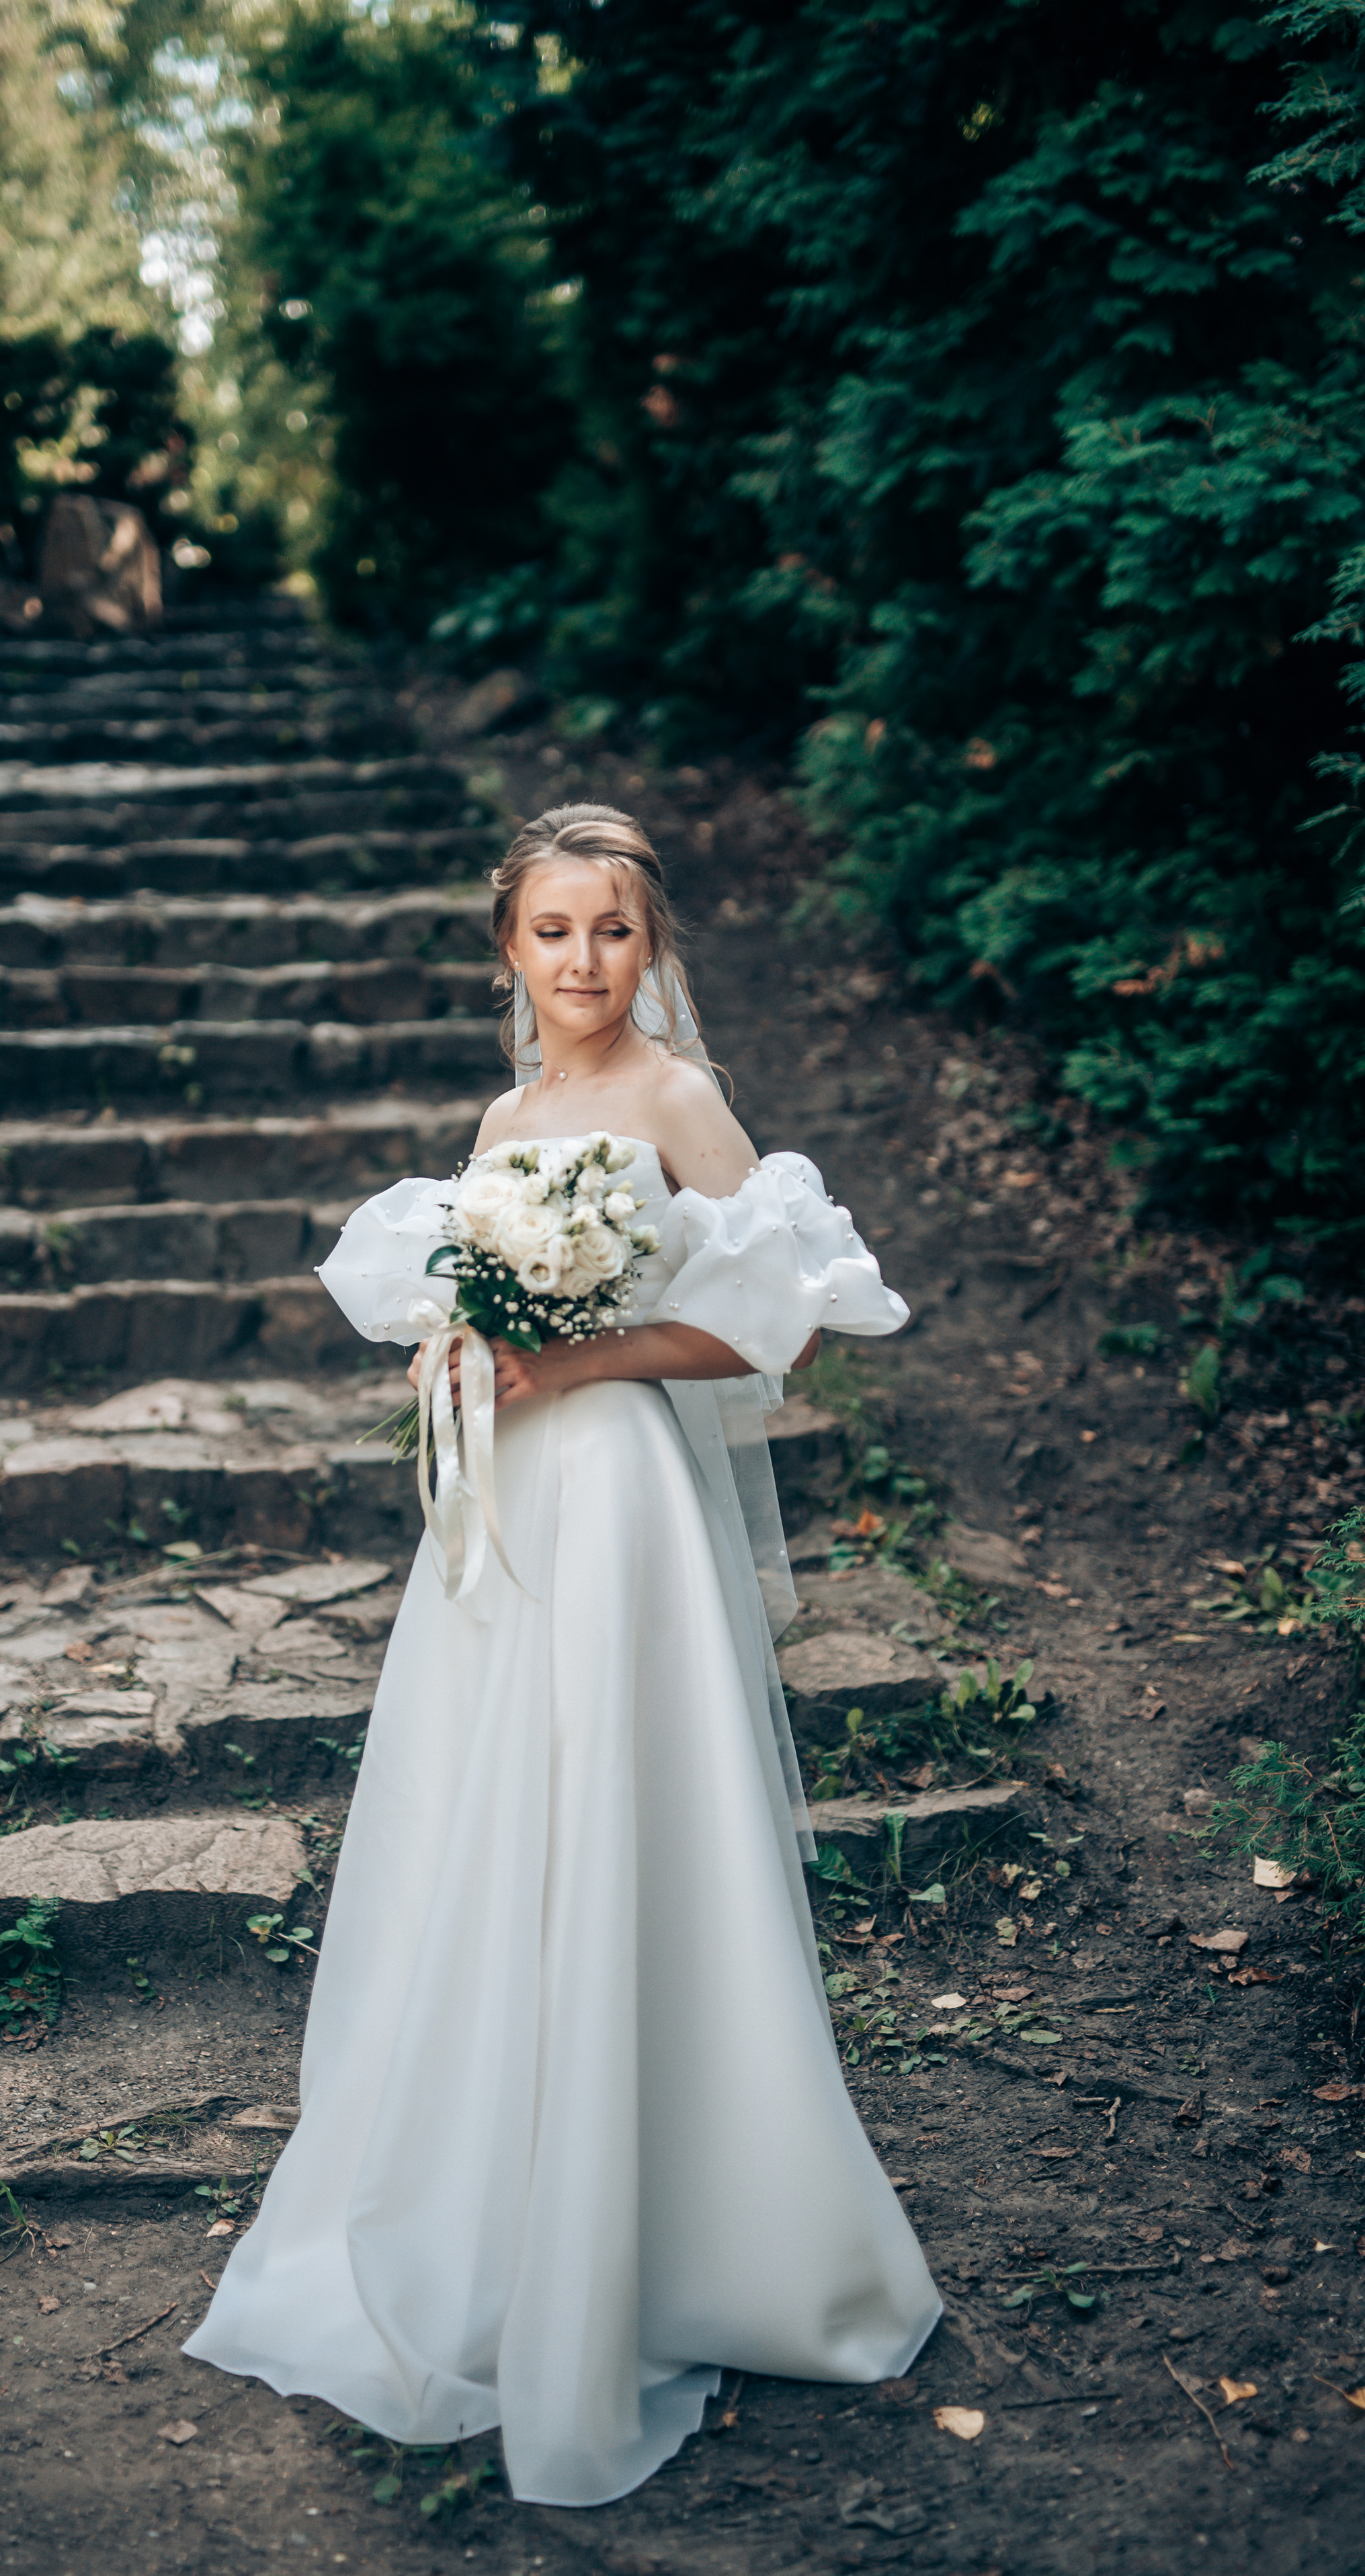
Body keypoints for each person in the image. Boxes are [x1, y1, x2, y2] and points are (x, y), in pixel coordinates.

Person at [183, 804, 941, 2507]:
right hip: (510, 1510)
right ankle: (498, 2181)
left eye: (610, 930)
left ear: (646, 944)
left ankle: (681, 2218)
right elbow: (486, 1309)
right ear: (507, 950)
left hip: (620, 1506)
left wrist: (592, 1360)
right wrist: (460, 1349)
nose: (582, 962)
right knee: (492, 1819)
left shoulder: (675, 1100)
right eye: (550, 932)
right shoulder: (507, 1114)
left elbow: (788, 1317)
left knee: (625, 1809)